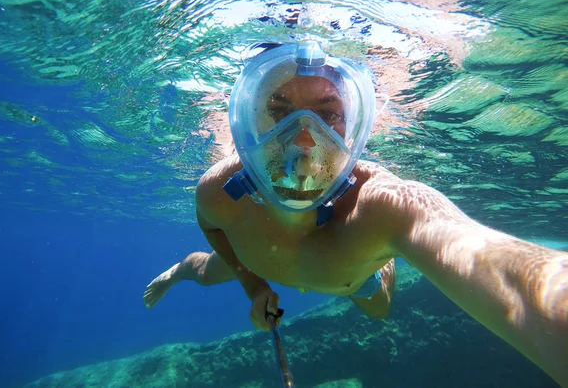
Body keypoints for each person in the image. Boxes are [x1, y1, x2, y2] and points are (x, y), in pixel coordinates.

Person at [143, 41, 568, 386]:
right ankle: (174, 272)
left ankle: (361, 279)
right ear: (244, 122)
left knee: (378, 308)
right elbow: (211, 227)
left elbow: (510, 280)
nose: (304, 144)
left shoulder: (383, 205)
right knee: (201, 270)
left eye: (329, 115)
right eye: (277, 111)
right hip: (257, 258)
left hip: (353, 277)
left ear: (355, 126)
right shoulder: (218, 191)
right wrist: (252, 285)